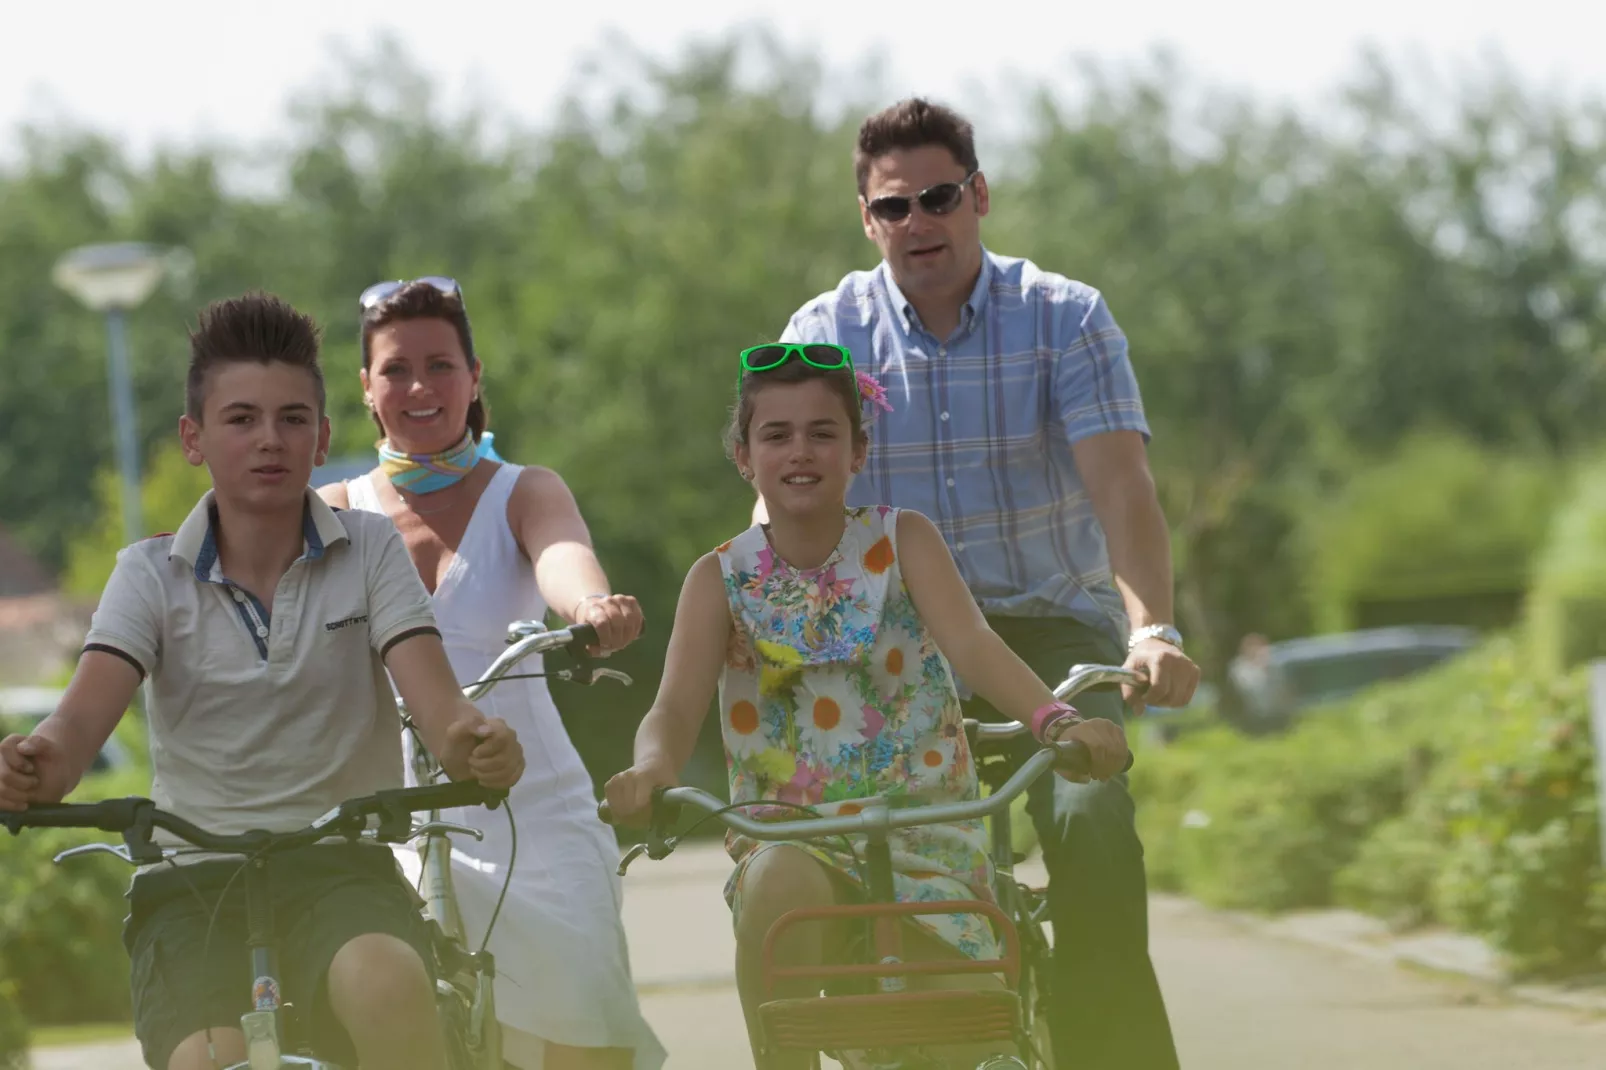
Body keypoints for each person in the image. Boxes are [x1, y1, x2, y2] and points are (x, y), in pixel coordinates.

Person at [754, 98, 1203, 1069]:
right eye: (891, 207)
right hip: (889, 645)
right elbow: (781, 507)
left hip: (1048, 630)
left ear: (979, 195)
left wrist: (1152, 628)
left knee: (1091, 821)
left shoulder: (1065, 316)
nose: (917, 222)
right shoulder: (825, 332)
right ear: (864, 219)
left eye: (939, 196)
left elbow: (1121, 491)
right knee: (863, 856)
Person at [0, 292, 526, 1070]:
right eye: (241, 419)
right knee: (204, 1060)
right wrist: (34, 766)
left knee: (387, 986)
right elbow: (74, 732)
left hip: (341, 869)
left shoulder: (373, 551)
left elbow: (445, 715)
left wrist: (479, 746)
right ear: (194, 438)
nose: (268, 440)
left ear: (321, 439)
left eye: (291, 419)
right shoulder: (147, 575)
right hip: (191, 885)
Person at [604, 347, 1130, 1069]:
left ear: (859, 450)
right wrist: (650, 769)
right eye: (776, 435)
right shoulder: (718, 578)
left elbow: (973, 645)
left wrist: (1057, 722)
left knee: (966, 1036)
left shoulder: (902, 539)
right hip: (792, 833)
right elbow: (674, 705)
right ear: (742, 456)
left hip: (924, 829)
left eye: (824, 433)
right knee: (778, 885)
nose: (801, 451)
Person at [317, 277, 666, 1070]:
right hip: (394, 814)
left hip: (531, 811)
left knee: (586, 1033)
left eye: (440, 366)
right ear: (366, 389)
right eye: (395, 369)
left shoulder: (524, 490)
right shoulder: (334, 510)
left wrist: (591, 609)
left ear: (475, 379)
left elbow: (564, 559)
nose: (419, 387)